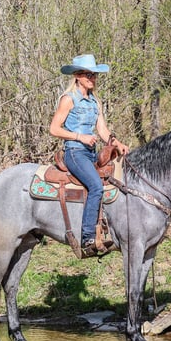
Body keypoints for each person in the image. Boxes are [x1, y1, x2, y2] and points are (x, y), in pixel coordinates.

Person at [49, 54, 129, 257]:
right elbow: (54, 129)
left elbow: (102, 130)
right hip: (75, 152)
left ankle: (108, 228)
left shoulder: (94, 102)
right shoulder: (69, 99)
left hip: (91, 153)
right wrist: (80, 137)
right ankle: (87, 238)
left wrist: (116, 143)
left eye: (94, 75)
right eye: (88, 75)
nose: (92, 78)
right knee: (95, 186)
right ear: (77, 75)